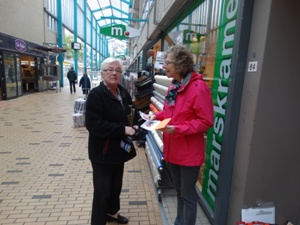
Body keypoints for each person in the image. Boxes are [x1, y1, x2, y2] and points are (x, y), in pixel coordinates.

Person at [149, 45, 214, 225]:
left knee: (187, 195)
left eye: (167, 62)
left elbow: (206, 121)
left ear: (180, 64)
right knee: (180, 192)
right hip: (173, 149)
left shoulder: (198, 88)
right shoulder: (174, 87)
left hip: (188, 153)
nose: (164, 66)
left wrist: (178, 129)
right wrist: (156, 116)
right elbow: (170, 114)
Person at [85, 57, 138, 225]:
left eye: (117, 70)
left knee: (116, 187)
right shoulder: (96, 94)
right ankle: (98, 221)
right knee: (102, 191)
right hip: (102, 152)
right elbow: (94, 125)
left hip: (119, 150)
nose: (114, 73)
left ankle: (112, 213)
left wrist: (139, 121)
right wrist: (122, 129)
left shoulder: (122, 92)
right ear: (102, 73)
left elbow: (131, 112)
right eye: (110, 69)